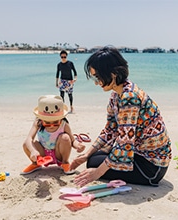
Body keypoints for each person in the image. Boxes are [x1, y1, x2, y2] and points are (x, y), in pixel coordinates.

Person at [71, 46, 172, 187]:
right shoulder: (116, 95)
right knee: (93, 158)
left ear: (112, 74)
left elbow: (124, 143)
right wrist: (87, 154)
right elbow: (110, 130)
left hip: (152, 167)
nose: (96, 82)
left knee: (94, 164)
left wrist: (96, 174)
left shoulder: (129, 97)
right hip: (138, 153)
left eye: (98, 77)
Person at [21, 95, 85, 175]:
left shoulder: (64, 124)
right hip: (43, 154)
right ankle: (36, 163)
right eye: (47, 123)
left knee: (65, 137)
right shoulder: (38, 123)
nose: (51, 125)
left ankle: (65, 162)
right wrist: (33, 151)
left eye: (55, 122)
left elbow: (72, 140)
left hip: (58, 154)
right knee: (26, 144)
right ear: (41, 119)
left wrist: (78, 145)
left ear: (61, 119)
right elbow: (29, 139)